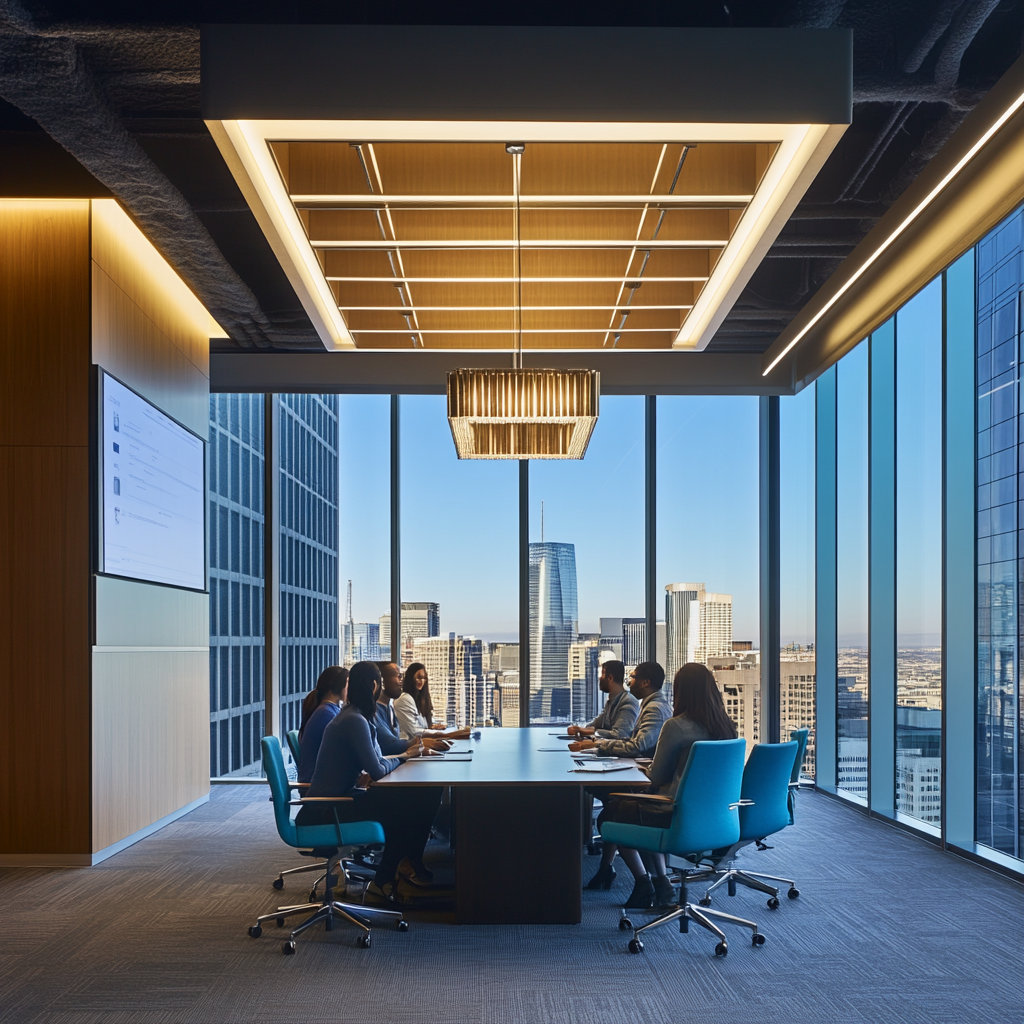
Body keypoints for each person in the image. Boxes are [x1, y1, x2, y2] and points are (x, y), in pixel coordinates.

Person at [296, 661, 444, 904]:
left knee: (424, 794)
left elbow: (376, 763)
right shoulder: (354, 720)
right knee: (406, 806)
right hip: (327, 809)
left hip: (339, 799)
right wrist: (406, 756)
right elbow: (377, 769)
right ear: (375, 685)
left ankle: (404, 867)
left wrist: (392, 761)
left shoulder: (355, 716)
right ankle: (386, 879)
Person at [594, 663, 738, 909]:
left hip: (675, 813)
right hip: (719, 817)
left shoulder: (677, 726)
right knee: (632, 808)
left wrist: (643, 769)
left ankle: (645, 882)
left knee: (612, 813)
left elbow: (657, 777)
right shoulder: (727, 728)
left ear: (682, 691)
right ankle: (661, 883)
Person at [568, 661, 671, 759]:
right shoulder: (652, 705)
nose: (630, 683)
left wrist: (597, 744)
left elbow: (636, 746)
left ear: (645, 683)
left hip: (645, 773)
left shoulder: (654, 709)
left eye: (633, 678)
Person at [296, 665, 348, 784]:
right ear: (335, 685)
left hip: (318, 781)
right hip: (318, 786)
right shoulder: (326, 714)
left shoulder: (328, 710)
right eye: (347, 683)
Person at [394, 662, 471, 740]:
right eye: (419, 678)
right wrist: (441, 734)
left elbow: (421, 724)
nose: (422, 681)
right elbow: (414, 732)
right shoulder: (404, 699)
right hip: (411, 745)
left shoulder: (417, 699)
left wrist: (432, 726)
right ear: (410, 679)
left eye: (424, 678)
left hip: (421, 743)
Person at [566, 660, 638, 740]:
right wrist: (581, 729)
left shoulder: (628, 702)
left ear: (610, 678)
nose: (599, 678)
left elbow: (620, 734)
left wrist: (590, 731)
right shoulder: (612, 701)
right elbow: (597, 723)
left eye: (602, 674)